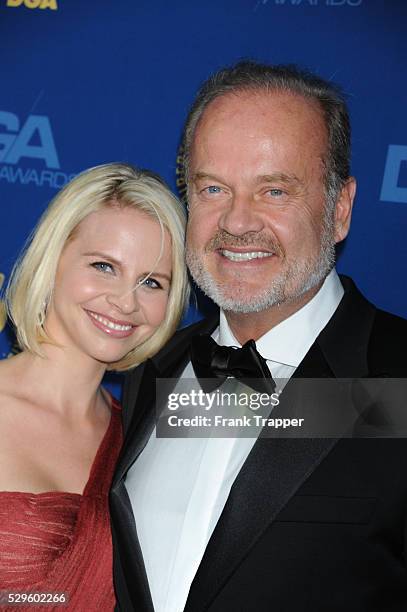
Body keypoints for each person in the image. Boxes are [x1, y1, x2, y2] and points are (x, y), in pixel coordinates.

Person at [110, 62, 407, 612]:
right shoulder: (150, 369)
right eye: (214, 187)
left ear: (339, 209)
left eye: (274, 190)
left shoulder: (397, 378)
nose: (237, 222)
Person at [0, 163, 189, 610]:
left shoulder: (141, 439)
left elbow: (361, 415)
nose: (126, 302)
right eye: (104, 266)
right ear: (54, 260)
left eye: (151, 282)